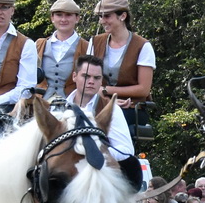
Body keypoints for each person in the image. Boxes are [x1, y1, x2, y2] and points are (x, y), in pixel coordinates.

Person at [62, 53, 145, 188]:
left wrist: (92, 154)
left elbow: (126, 150)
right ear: (74, 76)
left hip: (98, 178)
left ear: (101, 82)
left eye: (96, 78)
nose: (91, 81)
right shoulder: (58, 107)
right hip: (64, 176)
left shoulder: (111, 109)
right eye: (86, 76)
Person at [89, 0, 155, 142]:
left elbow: (143, 89)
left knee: (108, 121)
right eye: (100, 16)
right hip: (98, 103)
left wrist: (107, 91)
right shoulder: (94, 42)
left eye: (106, 16)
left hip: (131, 108)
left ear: (122, 16)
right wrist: (104, 99)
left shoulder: (143, 46)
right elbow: (86, 77)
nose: (102, 21)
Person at [36, 0, 87, 99]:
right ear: (52, 18)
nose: (63, 19)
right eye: (59, 15)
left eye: (68, 15)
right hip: (41, 104)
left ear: (77, 18)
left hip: (72, 105)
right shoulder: (39, 44)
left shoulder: (87, 47)